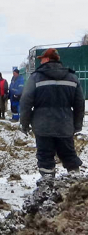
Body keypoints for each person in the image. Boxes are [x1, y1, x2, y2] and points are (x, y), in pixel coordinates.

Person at [20, 48, 85, 177]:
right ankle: (75, 185)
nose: (41, 61)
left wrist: (25, 123)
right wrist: (77, 125)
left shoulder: (35, 78)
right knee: (69, 155)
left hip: (43, 126)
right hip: (65, 125)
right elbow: (79, 104)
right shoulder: (72, 77)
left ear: (47, 59)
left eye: (42, 59)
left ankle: (47, 185)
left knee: (45, 157)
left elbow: (26, 102)